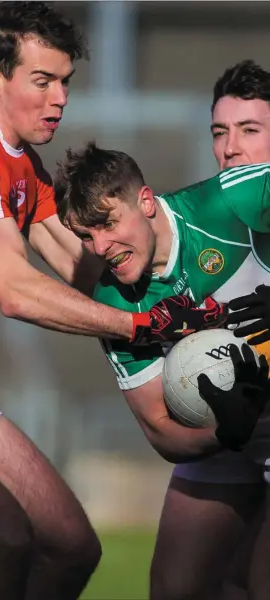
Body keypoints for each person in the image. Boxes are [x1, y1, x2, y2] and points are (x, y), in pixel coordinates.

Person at [0, 3, 227, 599]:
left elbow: (81, 267)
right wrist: (141, 325)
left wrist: (190, 280)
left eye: (64, 81)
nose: (59, 98)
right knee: (5, 537)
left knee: (71, 546)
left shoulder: (26, 167)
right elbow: (16, 290)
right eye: (41, 81)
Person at [53, 140, 270, 600]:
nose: (102, 247)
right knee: (174, 588)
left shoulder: (228, 200)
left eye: (108, 224)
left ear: (146, 201)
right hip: (230, 433)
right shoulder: (114, 305)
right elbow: (160, 430)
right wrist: (224, 433)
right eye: (87, 236)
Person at [148, 59, 270, 600]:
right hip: (228, 427)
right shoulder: (199, 223)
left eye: (250, 130)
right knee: (176, 589)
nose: (231, 148)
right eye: (221, 132)